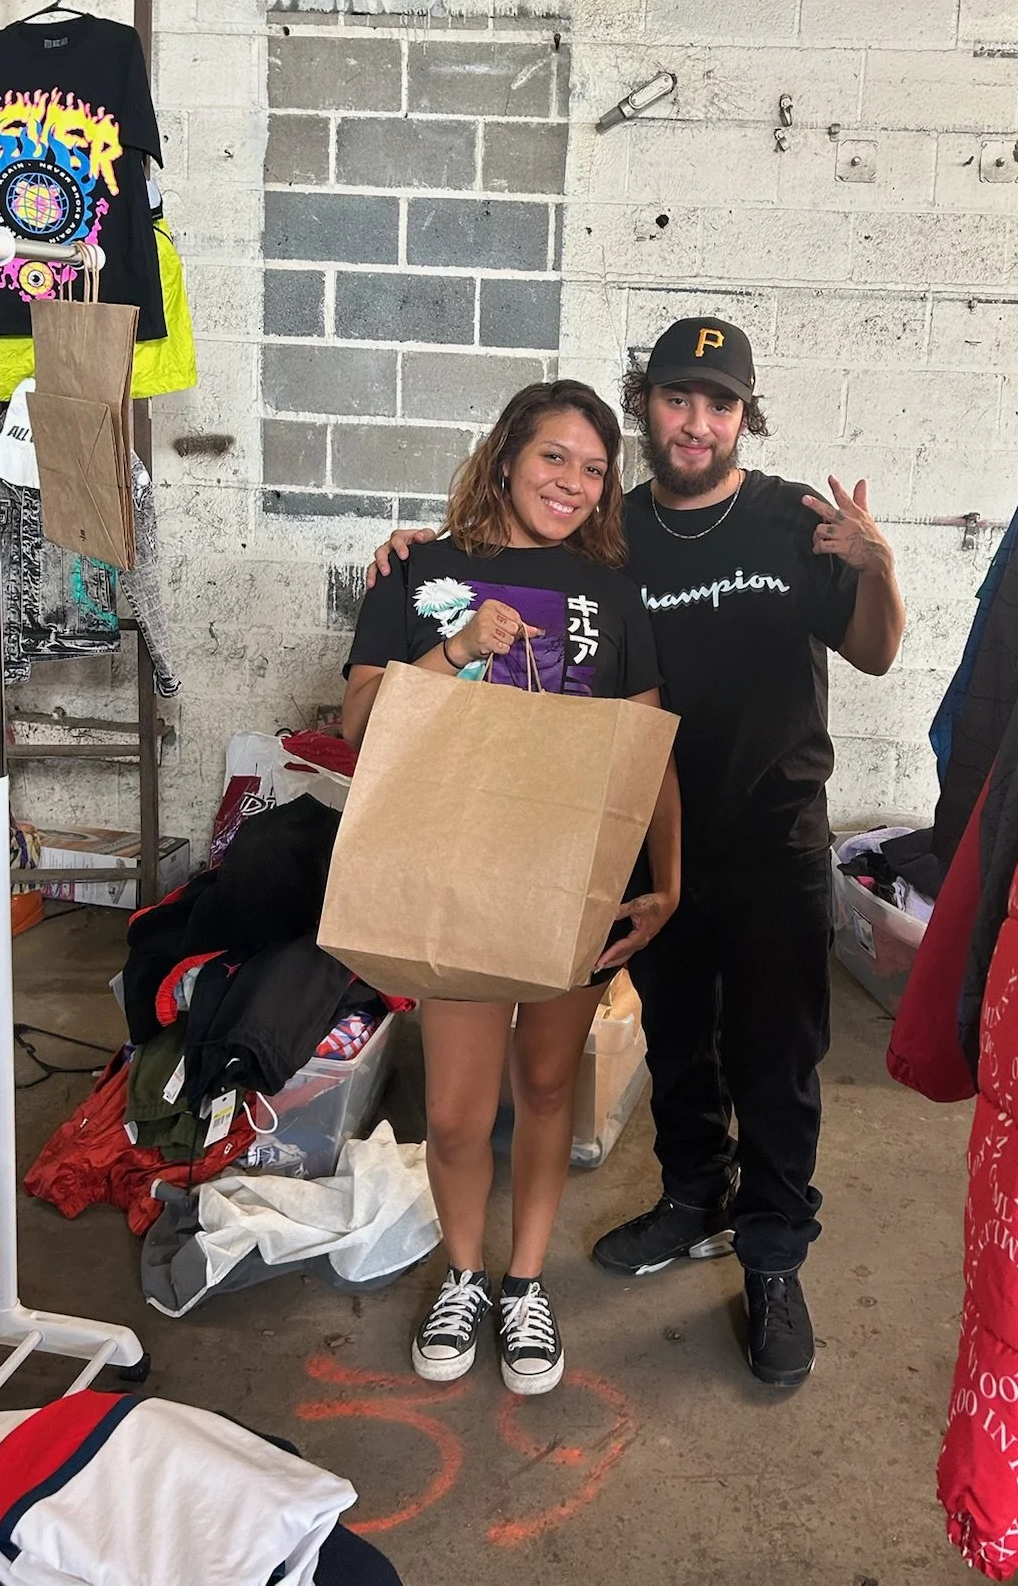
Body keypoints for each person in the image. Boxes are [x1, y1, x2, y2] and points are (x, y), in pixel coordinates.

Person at [369, 319, 905, 1388]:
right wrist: (416, 566)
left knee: (777, 1060)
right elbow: (497, 574)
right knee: (679, 1044)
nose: (696, 422)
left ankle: (773, 1257)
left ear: (746, 414)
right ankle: (693, 1195)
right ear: (649, 405)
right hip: (618, 845)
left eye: (719, 402)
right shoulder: (616, 538)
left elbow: (878, 651)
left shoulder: (795, 521)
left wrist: (878, 566)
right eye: (675, 399)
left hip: (769, 835)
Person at [342, 379, 681, 1399]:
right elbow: (360, 725)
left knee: (545, 1086)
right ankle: (464, 1271)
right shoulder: (420, 568)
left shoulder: (616, 592)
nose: (573, 482)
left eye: (593, 467)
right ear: (504, 455)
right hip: (456, 865)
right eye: (553, 457)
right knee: (453, 1112)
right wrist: (457, 646)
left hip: (573, 874)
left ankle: (523, 1280)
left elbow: (645, 750)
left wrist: (669, 877)